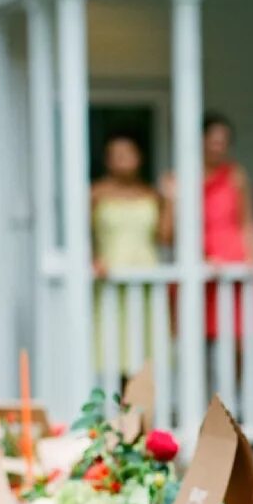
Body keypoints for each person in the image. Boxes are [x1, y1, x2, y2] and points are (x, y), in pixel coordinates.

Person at [91, 134, 170, 366]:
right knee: (111, 343)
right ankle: (114, 400)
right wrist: (93, 259)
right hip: (110, 276)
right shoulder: (96, 193)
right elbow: (81, 235)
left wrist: (171, 200)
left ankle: (140, 402)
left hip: (145, 274)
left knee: (144, 347)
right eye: (116, 155)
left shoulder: (151, 194)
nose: (123, 160)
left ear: (139, 158)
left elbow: (164, 238)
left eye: (128, 154)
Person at [201, 112, 253, 341]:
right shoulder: (184, 177)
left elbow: (246, 221)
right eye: (213, 141)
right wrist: (202, 256)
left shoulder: (236, 175)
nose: (218, 147)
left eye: (223, 143)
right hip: (204, 258)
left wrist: (252, 256)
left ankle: (235, 379)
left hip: (234, 255)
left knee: (238, 334)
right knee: (203, 333)